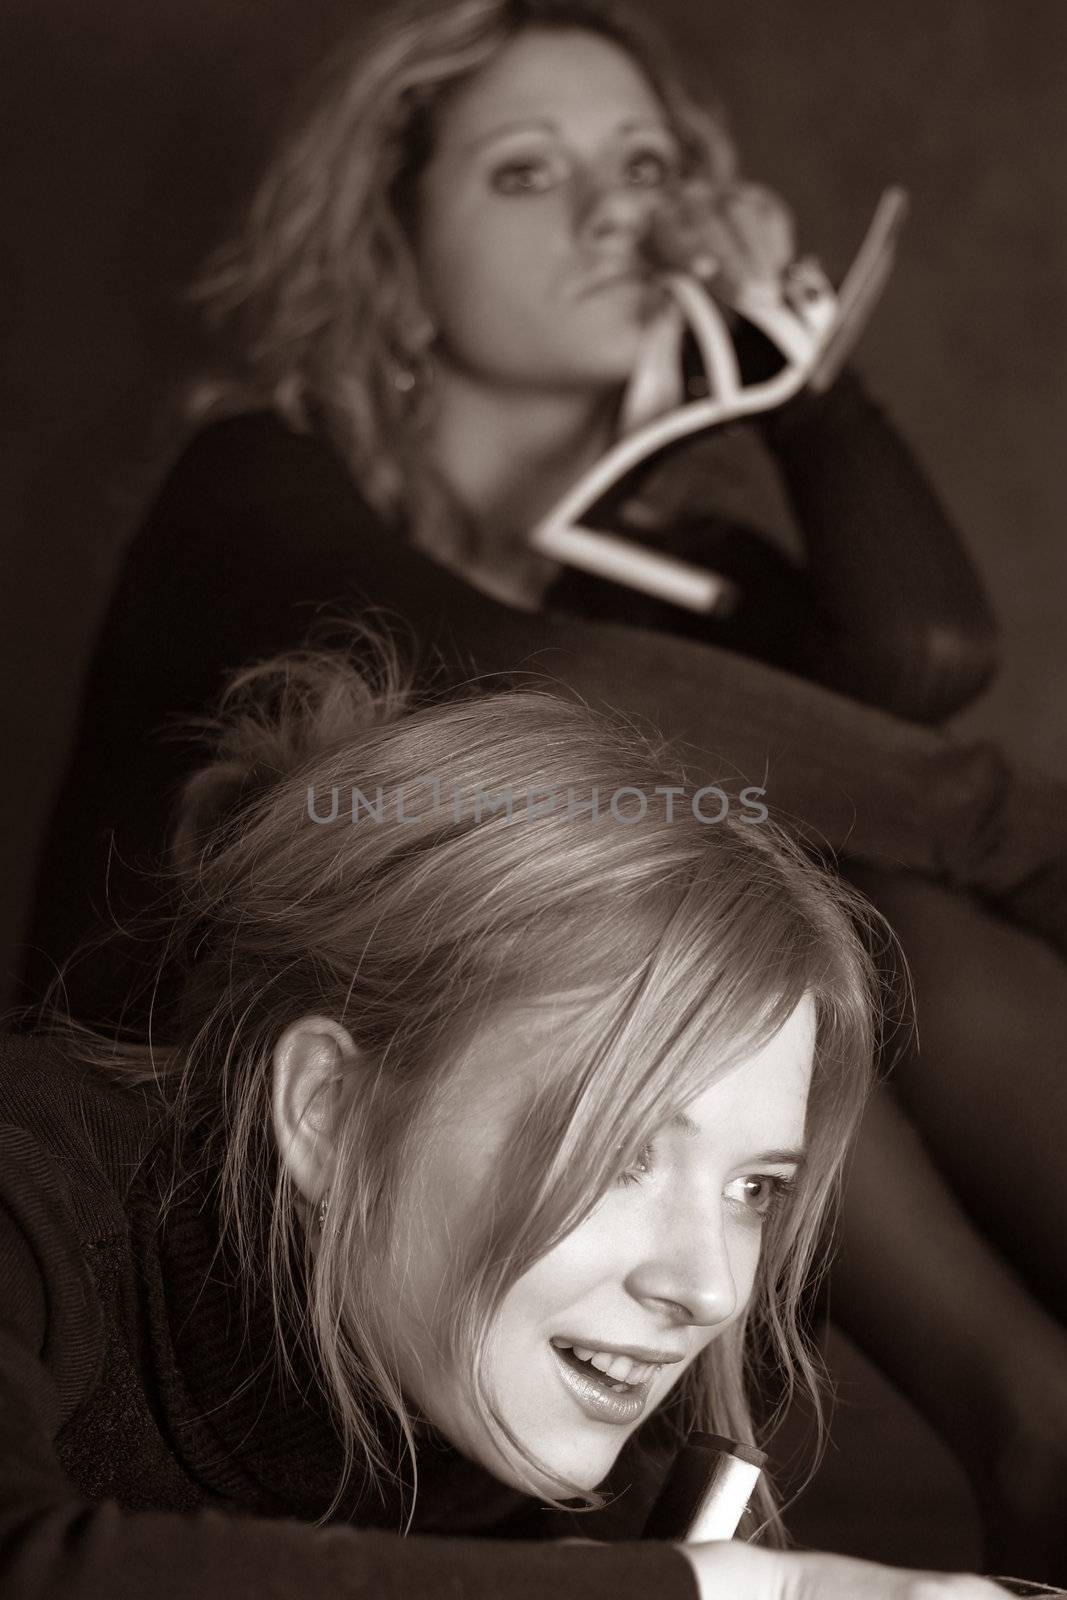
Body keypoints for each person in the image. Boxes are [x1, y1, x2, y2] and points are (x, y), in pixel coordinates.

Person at [17, 0, 1067, 1578]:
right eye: (526, 171)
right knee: (795, 829)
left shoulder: (677, 585)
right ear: (387, 245)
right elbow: (539, 683)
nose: (610, 213)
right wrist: (1030, 843)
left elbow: (919, 651)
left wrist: (792, 370)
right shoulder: (252, 485)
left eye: (645, 167)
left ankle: (1037, 1425)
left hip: (501, 1306)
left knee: (821, 894)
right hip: (199, 1242)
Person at [0, 641, 1010, 1600]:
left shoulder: (616, 1439)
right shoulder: (28, 1177)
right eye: (619, 1152)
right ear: (328, 1110)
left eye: (755, 1189)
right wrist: (729, 1586)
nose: (706, 1288)